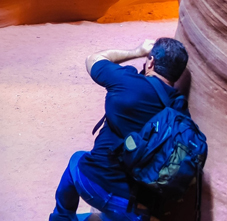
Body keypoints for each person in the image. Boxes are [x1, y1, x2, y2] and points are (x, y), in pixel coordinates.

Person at [49, 37, 190, 221]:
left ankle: (62, 217)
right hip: (135, 209)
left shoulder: (127, 81)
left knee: (76, 159)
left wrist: (137, 51)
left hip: (93, 184)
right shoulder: (179, 110)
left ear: (151, 62)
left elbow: (93, 59)